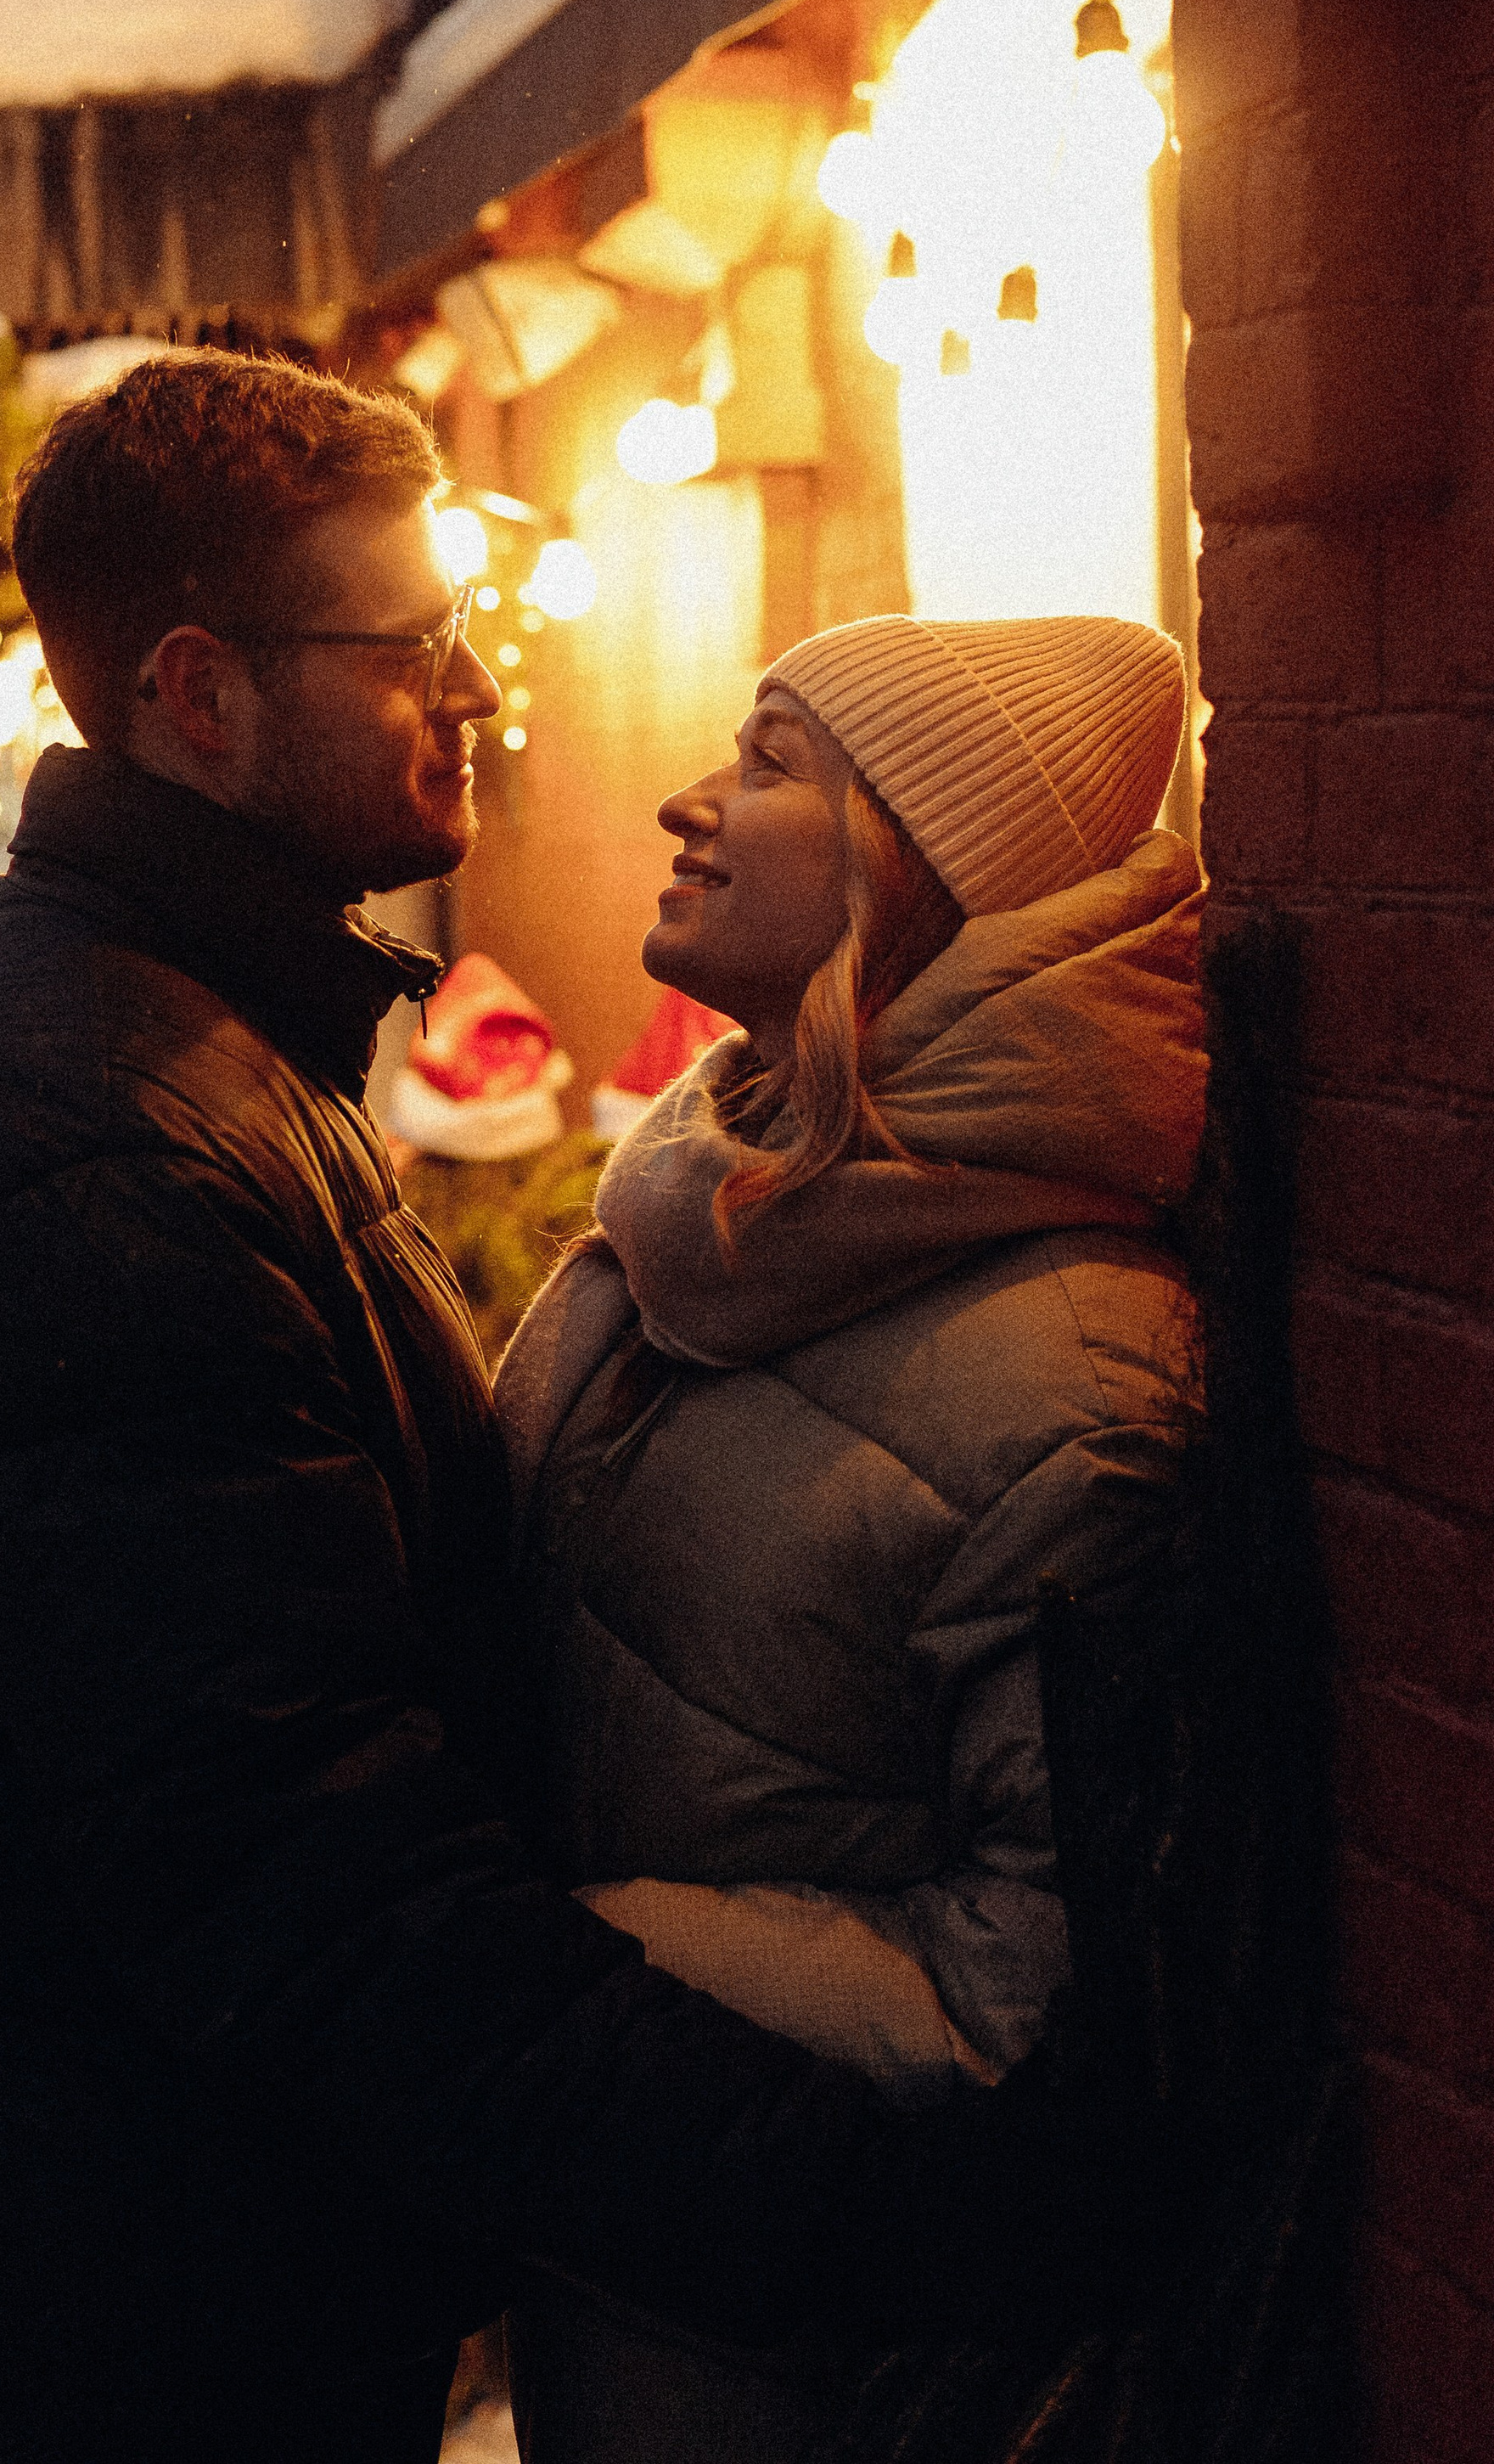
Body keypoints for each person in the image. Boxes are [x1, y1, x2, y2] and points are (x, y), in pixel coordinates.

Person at [0, 357, 1130, 2464]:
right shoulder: (104, 1132)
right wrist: (864, 2218)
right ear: (200, 695)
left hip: (171, 2216)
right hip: (167, 2268)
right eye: (408, 642)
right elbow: (306, 1888)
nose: (477, 685)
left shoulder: (201, 1041)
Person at [493, 612, 1205, 2462]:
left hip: (826, 2351)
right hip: (623, 2261)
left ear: (909, 864)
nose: (688, 799)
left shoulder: (1071, 1373)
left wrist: (558, 1954)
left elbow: (1029, 1990)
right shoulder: (689, 1221)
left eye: (769, 764)